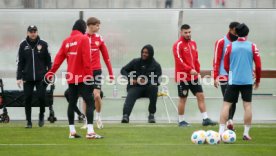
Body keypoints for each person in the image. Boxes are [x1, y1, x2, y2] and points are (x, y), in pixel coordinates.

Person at [45, 19, 103, 139]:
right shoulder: (84, 39)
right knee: (90, 102)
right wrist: (90, 78)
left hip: (71, 78)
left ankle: (72, 132)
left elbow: (58, 60)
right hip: (83, 77)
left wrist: (50, 73)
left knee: (72, 103)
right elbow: (87, 61)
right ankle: (90, 132)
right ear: (83, 28)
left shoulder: (66, 41)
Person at [219, 23, 261, 141]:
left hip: (233, 80)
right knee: (247, 106)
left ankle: (220, 132)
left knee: (226, 105)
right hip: (247, 81)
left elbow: (226, 65)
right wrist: (257, 80)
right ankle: (246, 134)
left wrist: (232, 73)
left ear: (236, 33)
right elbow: (258, 66)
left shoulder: (230, 46)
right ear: (247, 33)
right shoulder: (253, 46)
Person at [172, 24, 217, 127]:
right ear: (181, 32)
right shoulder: (178, 45)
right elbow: (179, 61)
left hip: (194, 77)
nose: (188, 34)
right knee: (183, 98)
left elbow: (196, 59)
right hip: (183, 76)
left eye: (189, 32)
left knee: (200, 96)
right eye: (186, 32)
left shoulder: (193, 43)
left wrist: (197, 70)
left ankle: (205, 119)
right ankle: (181, 121)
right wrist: (189, 70)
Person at [81, 17, 114, 129]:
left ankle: (98, 117)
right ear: (90, 25)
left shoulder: (99, 38)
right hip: (85, 72)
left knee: (96, 95)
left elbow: (106, 57)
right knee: (86, 97)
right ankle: (86, 121)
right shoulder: (82, 38)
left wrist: (111, 74)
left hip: (96, 71)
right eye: (97, 25)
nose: (99, 27)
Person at [16, 25, 51, 128]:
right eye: (31, 31)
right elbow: (20, 62)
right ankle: (29, 121)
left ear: (37, 32)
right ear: (27, 33)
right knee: (27, 98)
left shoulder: (43, 44)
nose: (33, 33)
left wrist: (50, 73)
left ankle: (41, 115)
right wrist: (18, 77)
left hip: (41, 77)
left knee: (41, 97)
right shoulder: (23, 45)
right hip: (27, 77)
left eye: (34, 31)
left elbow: (49, 61)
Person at [121, 44, 162, 123]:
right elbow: (123, 70)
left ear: (151, 54)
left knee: (154, 87)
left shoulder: (156, 65)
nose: (144, 54)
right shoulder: (135, 61)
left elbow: (158, 81)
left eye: (146, 53)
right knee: (131, 93)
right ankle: (125, 116)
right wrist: (130, 78)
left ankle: (151, 115)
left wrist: (146, 81)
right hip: (136, 87)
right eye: (143, 52)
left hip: (148, 89)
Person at [213, 21, 240, 130]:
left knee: (233, 100)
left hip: (236, 76)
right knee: (227, 100)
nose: (237, 33)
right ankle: (227, 122)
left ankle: (230, 121)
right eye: (235, 31)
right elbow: (216, 59)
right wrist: (215, 76)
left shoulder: (240, 41)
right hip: (224, 75)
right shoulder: (221, 42)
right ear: (230, 29)